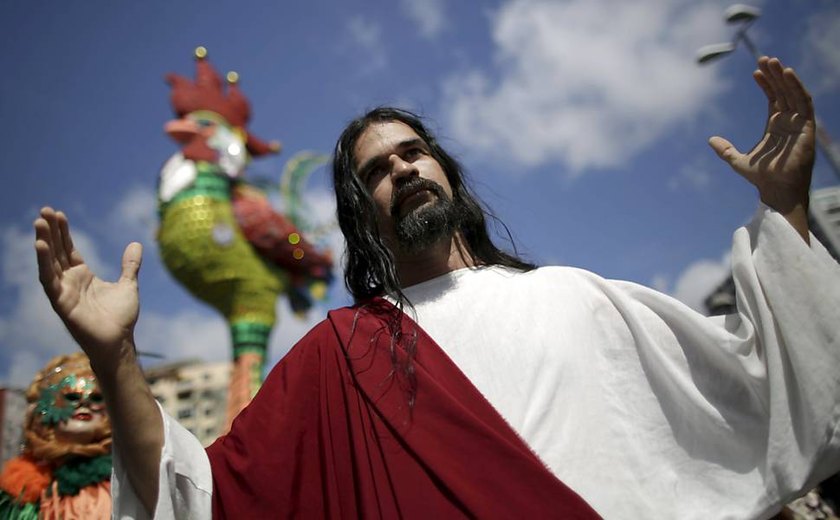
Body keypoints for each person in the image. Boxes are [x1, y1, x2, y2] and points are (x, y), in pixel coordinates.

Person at [34, 56, 840, 519]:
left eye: (413, 152)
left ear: (447, 174)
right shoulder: (338, 359)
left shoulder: (575, 296)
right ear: (365, 217)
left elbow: (758, 388)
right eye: (376, 172)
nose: (401, 168)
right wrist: (115, 356)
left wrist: (787, 206)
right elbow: (204, 499)